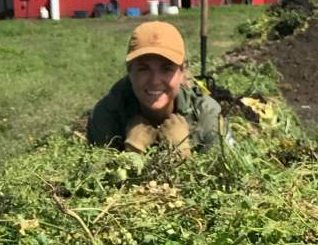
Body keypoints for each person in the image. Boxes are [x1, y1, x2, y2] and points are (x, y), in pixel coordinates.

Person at [87, 21, 222, 158]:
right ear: (129, 71)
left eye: (166, 69)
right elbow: (98, 175)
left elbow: (224, 177)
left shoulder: (206, 115)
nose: (155, 81)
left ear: (181, 71)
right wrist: (133, 153)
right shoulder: (107, 115)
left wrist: (181, 153)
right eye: (143, 69)